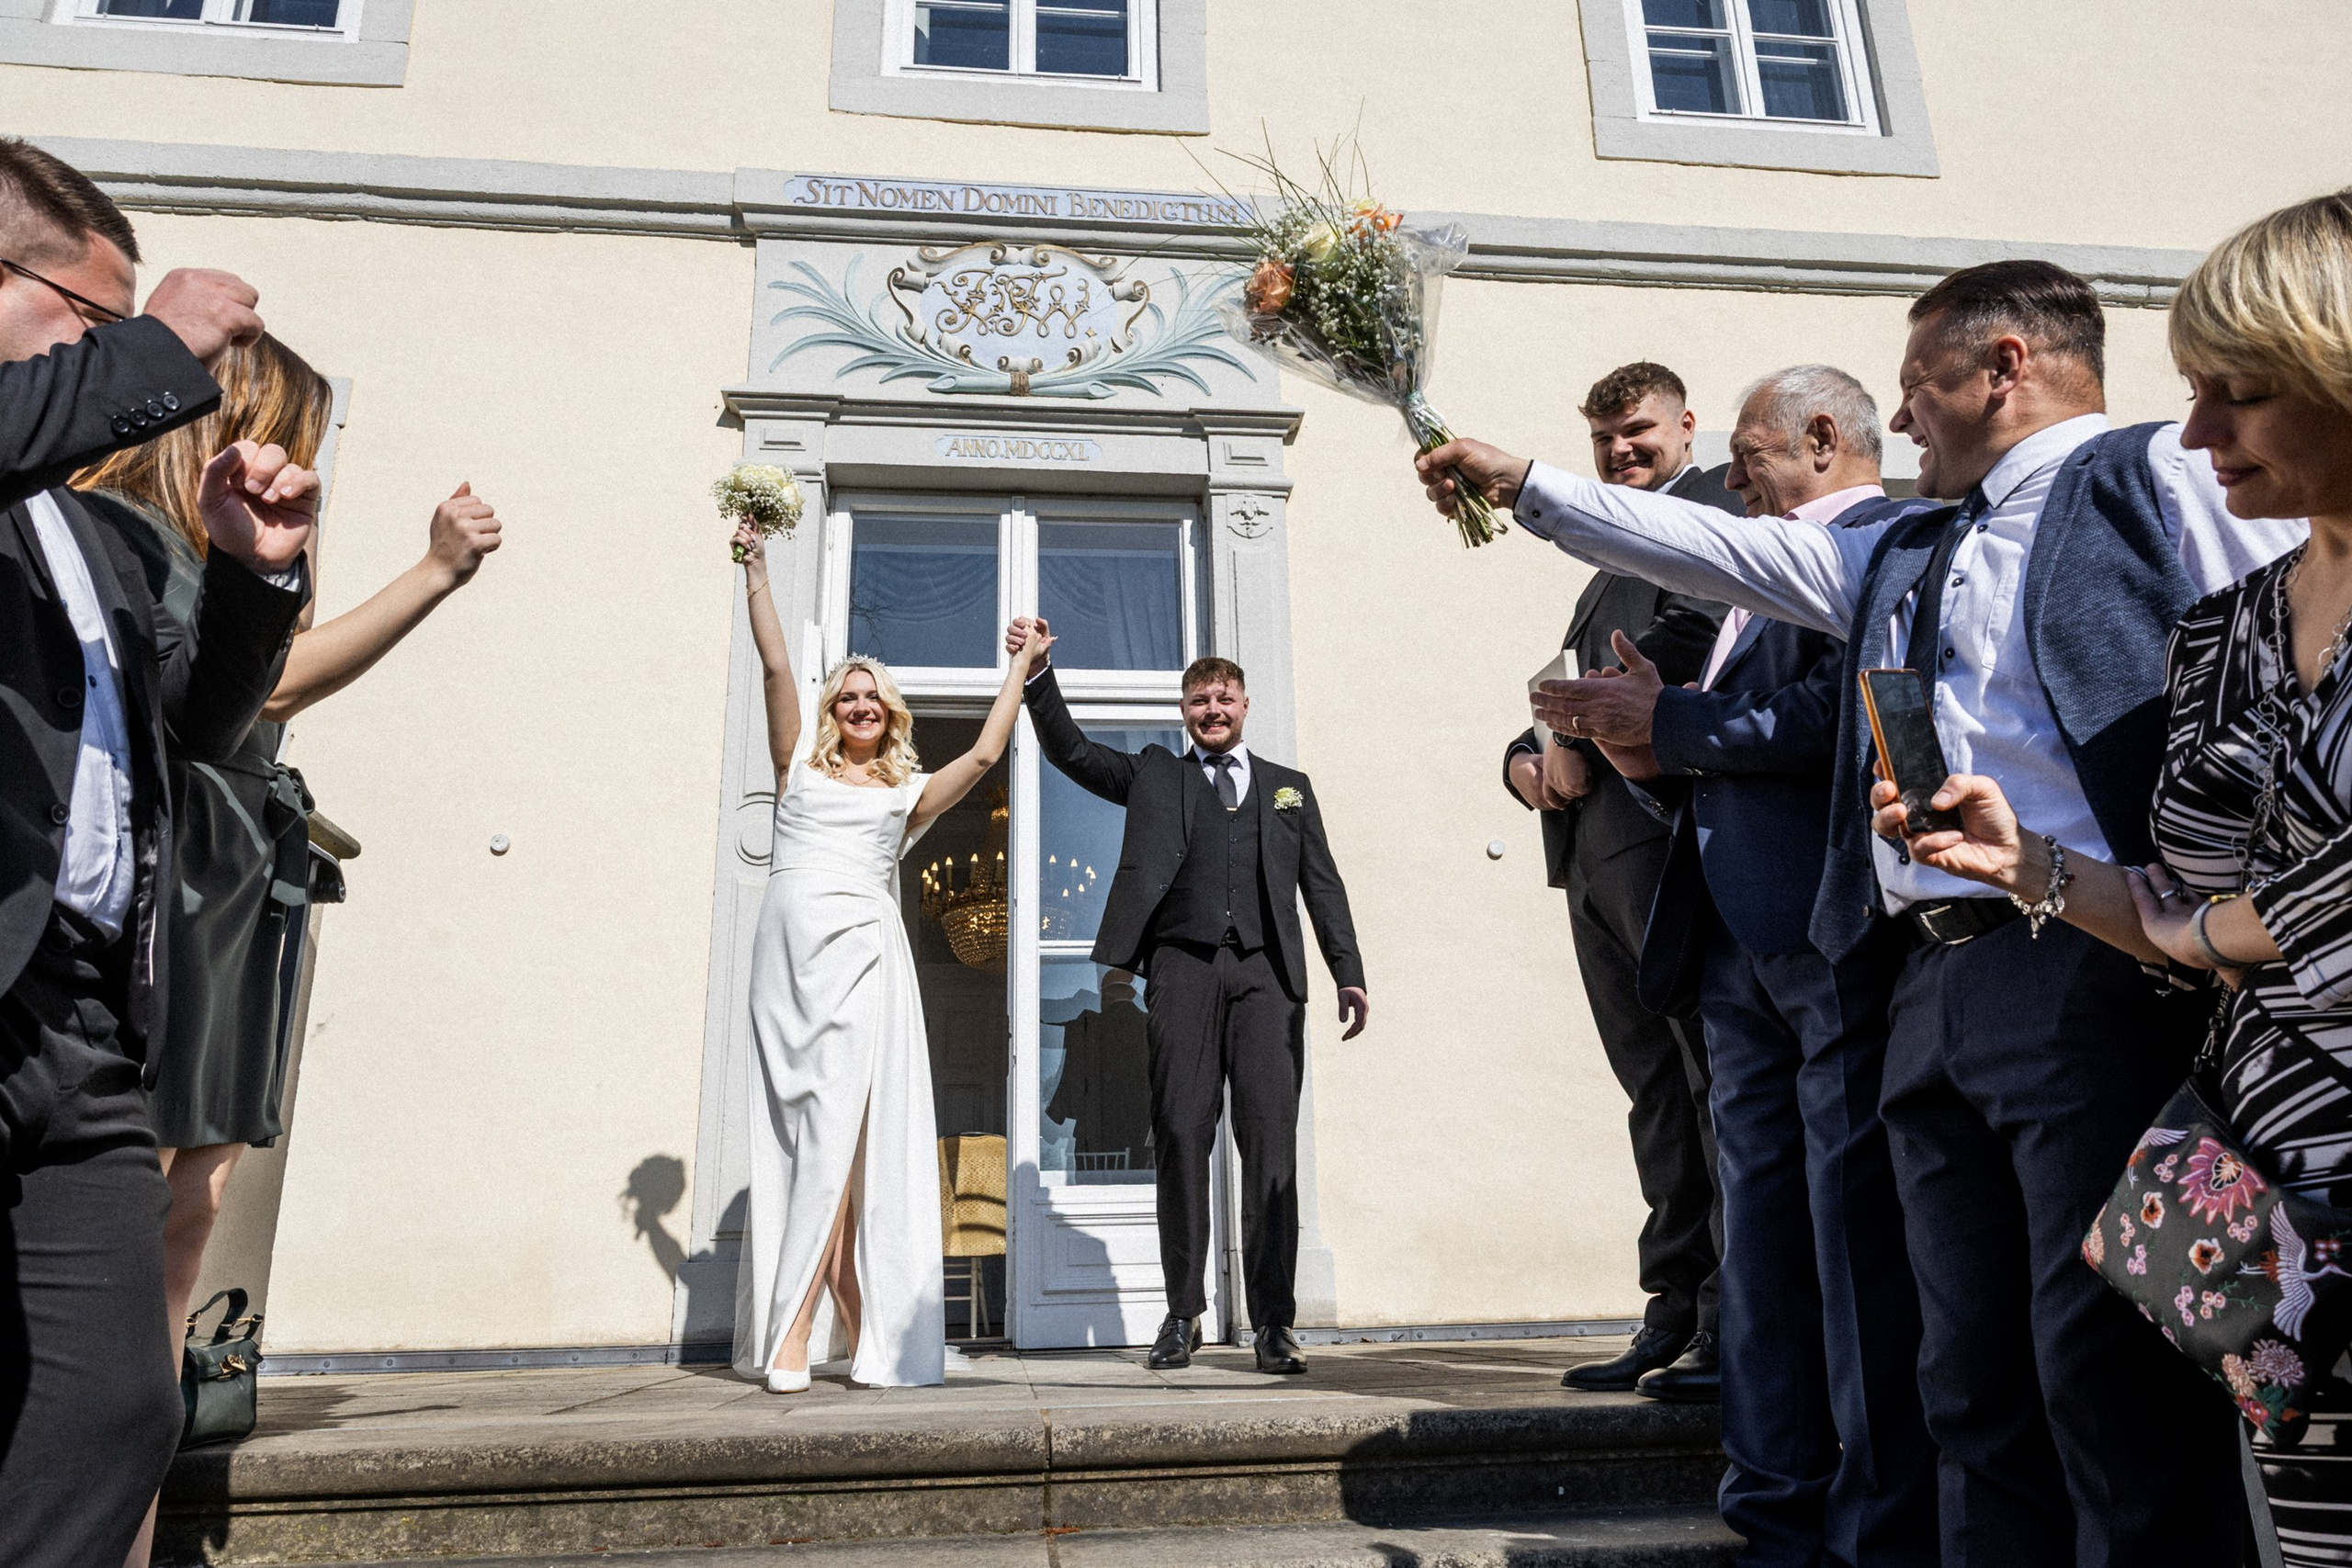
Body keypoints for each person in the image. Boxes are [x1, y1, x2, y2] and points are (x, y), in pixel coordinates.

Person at [1417, 260, 2306, 1564]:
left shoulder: (2155, 475)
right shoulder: (1895, 545)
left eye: (1917, 386)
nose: (1900, 421)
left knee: (2105, 1366)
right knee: (1963, 1368)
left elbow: (2295, 641)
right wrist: (1533, 486)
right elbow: (1724, 544)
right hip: (1925, 977)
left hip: (2095, 959)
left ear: (2006, 365)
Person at [1865, 189, 2352, 1562]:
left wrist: (2231, 925)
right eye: (2193, 393)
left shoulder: (2155, 497)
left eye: (2236, 394)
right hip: (2264, 1141)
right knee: (2000, 1378)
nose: (2193, 433)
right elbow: (2194, 910)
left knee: (2117, 1408)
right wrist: (2036, 862)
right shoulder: (2232, 628)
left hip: (2292, 1094)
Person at [74, 331, 503, 1568]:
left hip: (231, 858)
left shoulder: (210, 543)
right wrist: (432, 572)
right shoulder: (140, 535)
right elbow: (265, 687)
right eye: (296, 433)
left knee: (187, 1199)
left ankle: (130, 1518)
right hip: (185, 859)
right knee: (149, 1198)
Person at [1544, 366, 1939, 1564]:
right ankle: (1768, 1503)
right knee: (1759, 1237)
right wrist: (1641, 723)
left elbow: (1841, 715)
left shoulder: (1885, 544)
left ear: (1823, 439)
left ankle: (1870, 1520)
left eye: (1752, 452)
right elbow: (1713, 720)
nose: (1736, 474)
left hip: (1825, 938)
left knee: (1844, 1232)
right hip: (1723, 935)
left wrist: (1666, 724)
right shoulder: (1743, 564)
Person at [0, 139, 311, 1568]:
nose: (105, 350)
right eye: (84, 316)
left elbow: (194, 720)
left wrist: (251, 574)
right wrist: (162, 339)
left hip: (80, 1022)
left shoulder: (104, 534)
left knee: (120, 1402)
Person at [730, 520, 1048, 1393]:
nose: (860, 708)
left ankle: (796, 1332)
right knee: (806, 1139)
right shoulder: (796, 764)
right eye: (849, 698)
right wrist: (757, 569)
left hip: (865, 961)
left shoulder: (907, 794)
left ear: (891, 713)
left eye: (873, 699)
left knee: (841, 1136)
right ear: (833, 710)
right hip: (787, 963)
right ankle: (862, 1320)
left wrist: (1021, 666)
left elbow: (987, 752)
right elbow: (773, 668)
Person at [1009, 617, 1366, 1375]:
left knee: (1271, 1145)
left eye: (1224, 697)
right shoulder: (1153, 776)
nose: (1213, 709)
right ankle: (1183, 1314)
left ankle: (1274, 1322)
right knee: (1178, 1132)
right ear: (1184, 712)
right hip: (1180, 970)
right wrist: (1039, 677)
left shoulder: (1288, 790)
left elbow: (1323, 887)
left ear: (1245, 705)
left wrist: (1348, 970)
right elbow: (1071, 752)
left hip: (1268, 978)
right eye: (1200, 699)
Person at [1508, 361, 1733, 1399]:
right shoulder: (1609, 547)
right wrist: (1523, 754)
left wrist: (1569, 729)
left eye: (1637, 432)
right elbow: (1562, 675)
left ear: (1687, 424)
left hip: (1660, 835)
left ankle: (1732, 1321)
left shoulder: (1713, 511)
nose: (1619, 454)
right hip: (1592, 854)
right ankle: (1672, 1305)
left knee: (1706, 1080)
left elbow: (1686, 640)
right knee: (1652, 1089)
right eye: (1603, 440)